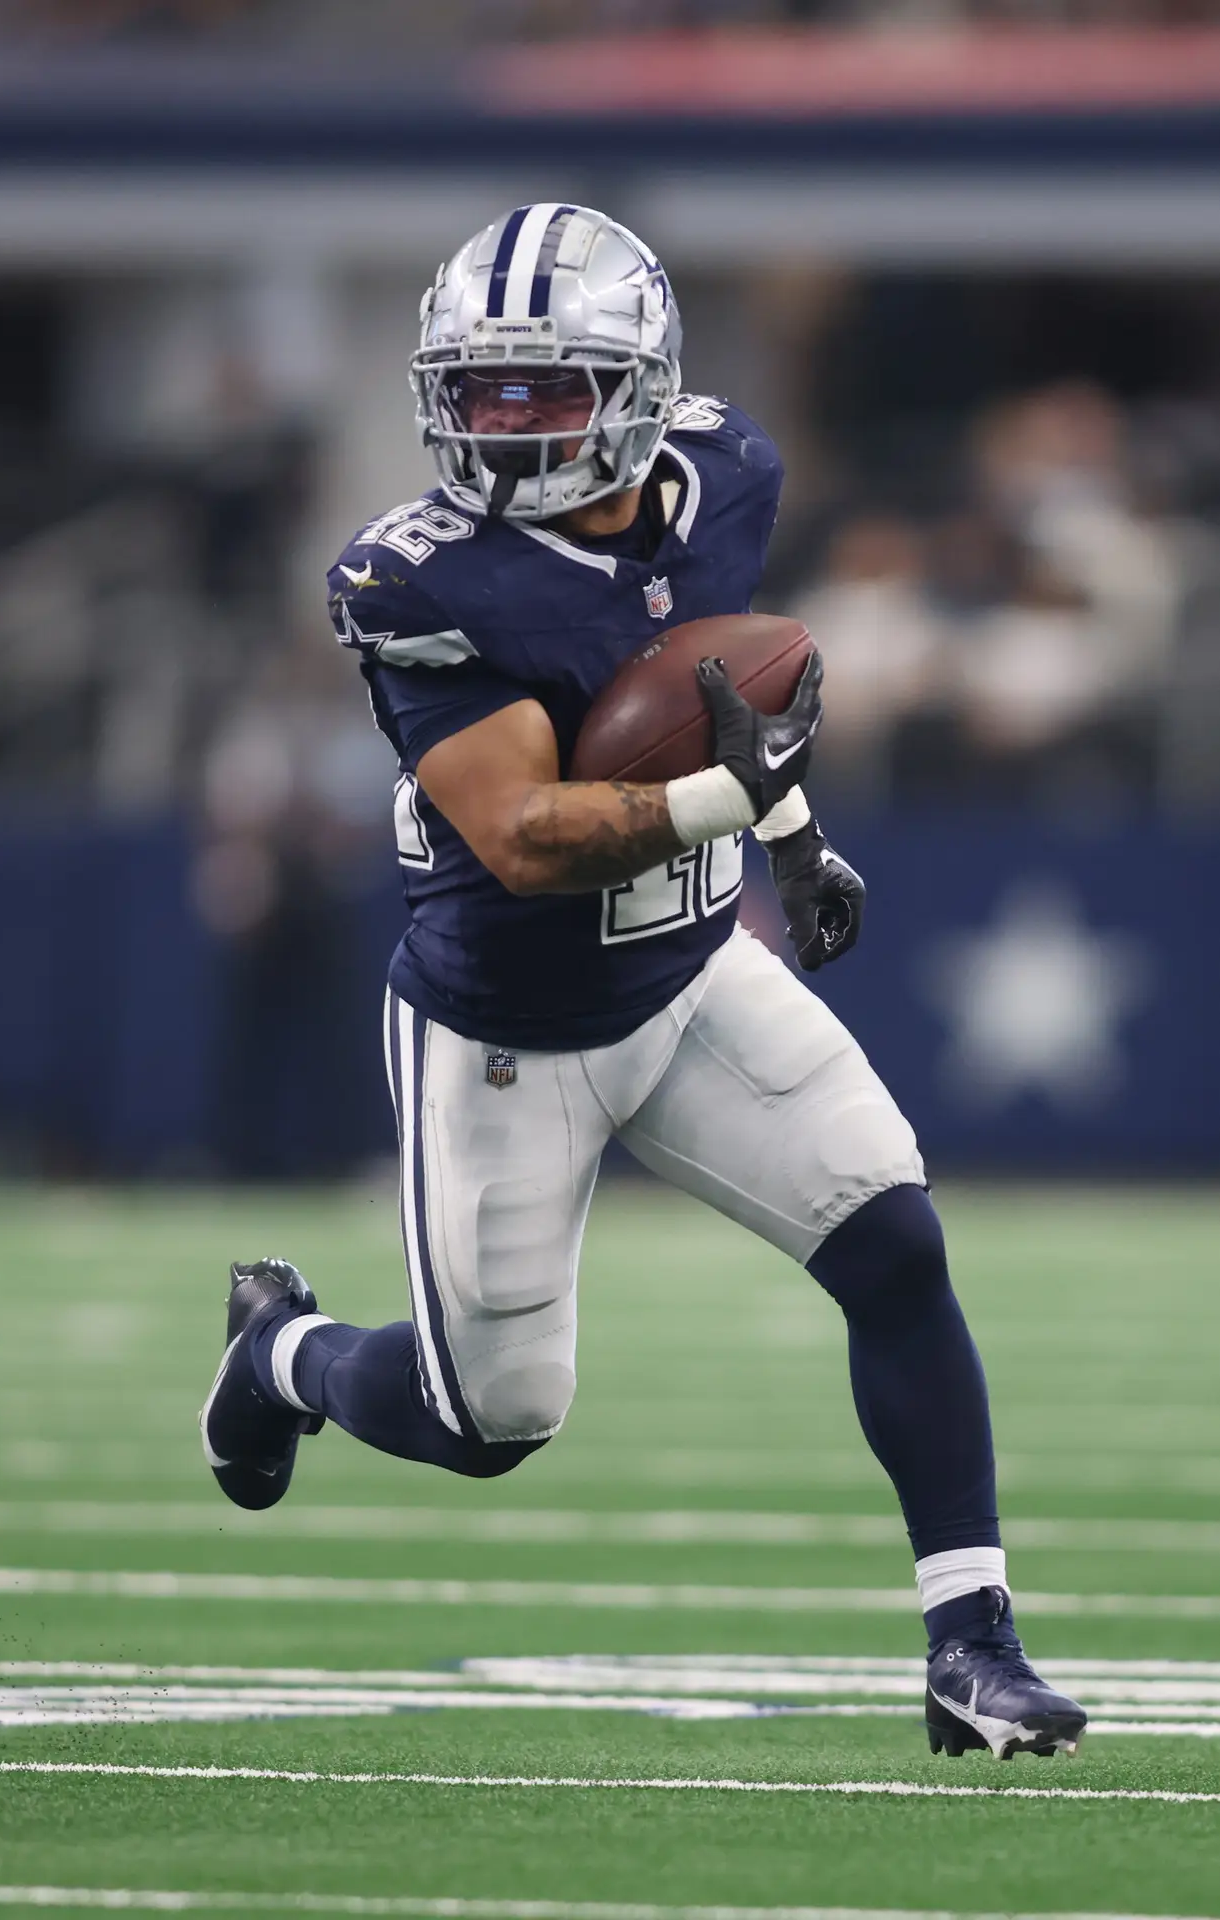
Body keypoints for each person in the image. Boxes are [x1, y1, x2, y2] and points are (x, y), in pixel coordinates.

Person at [200, 203, 1086, 1763]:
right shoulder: (415, 582)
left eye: (546, 389)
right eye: (478, 390)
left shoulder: (724, 469)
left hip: (685, 978)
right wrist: (744, 810)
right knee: (491, 1421)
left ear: (637, 389)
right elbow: (533, 837)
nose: (503, 423)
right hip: (510, 1031)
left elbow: (708, 692)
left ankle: (972, 1644)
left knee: (893, 1236)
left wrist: (794, 837)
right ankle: (281, 1356)